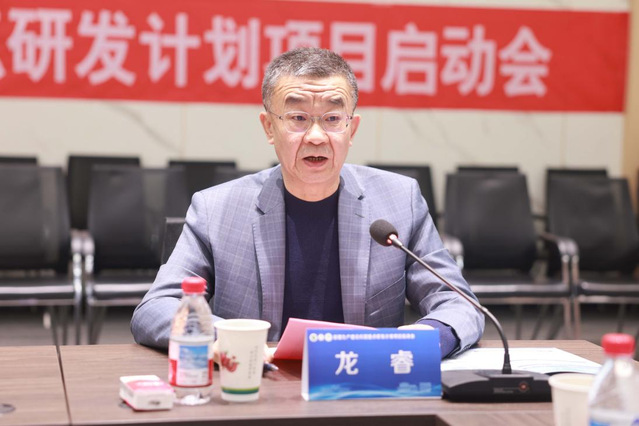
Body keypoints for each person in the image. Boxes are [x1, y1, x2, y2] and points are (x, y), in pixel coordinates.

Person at [131, 47, 484, 358]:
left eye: (332, 119)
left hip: (364, 387)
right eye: (298, 118)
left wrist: (423, 339)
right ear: (269, 128)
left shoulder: (399, 201)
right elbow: (156, 309)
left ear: (352, 129)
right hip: (258, 385)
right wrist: (231, 341)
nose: (316, 136)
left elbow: (459, 304)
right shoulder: (217, 209)